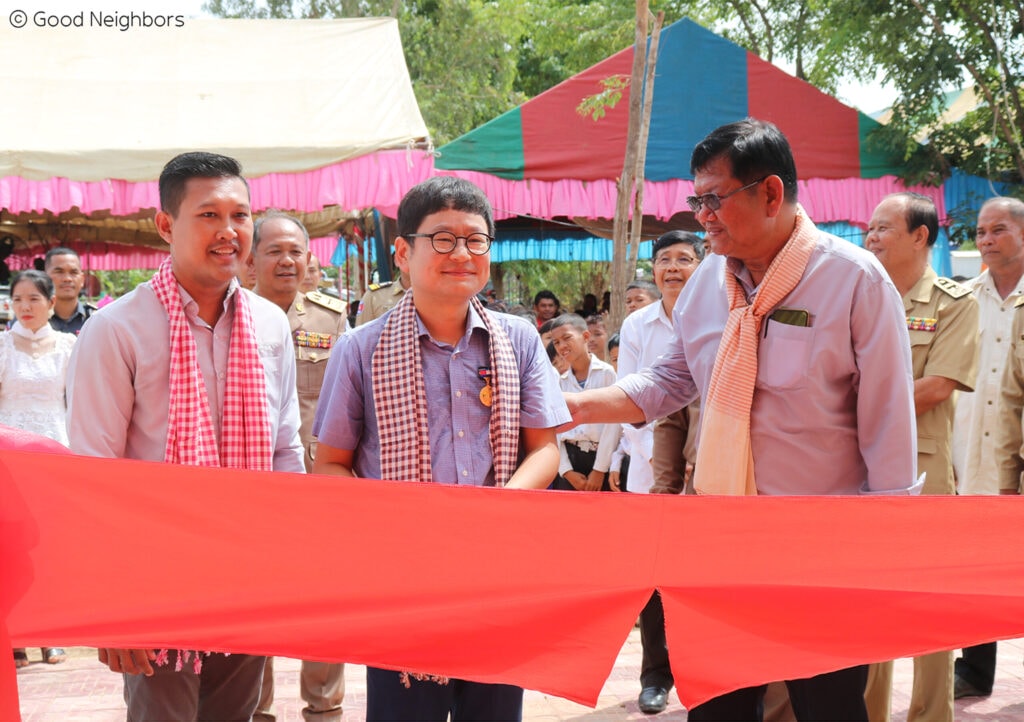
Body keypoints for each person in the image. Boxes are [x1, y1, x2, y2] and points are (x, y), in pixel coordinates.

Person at [563, 118, 919, 721]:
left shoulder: (854, 280)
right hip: (719, 541)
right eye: (696, 201)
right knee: (717, 705)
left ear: (771, 193)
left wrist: (884, 552)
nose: (702, 217)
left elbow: (888, 424)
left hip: (818, 550)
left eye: (714, 199)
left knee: (828, 707)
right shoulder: (710, 280)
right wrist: (577, 406)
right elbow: (670, 379)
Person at [312, 175, 568, 722]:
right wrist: (395, 522)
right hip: (402, 572)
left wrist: (497, 509)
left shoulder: (519, 339)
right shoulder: (360, 348)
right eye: (443, 239)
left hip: (500, 564)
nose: (462, 254)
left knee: (494, 710)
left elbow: (545, 449)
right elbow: (331, 464)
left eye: (476, 240)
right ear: (404, 253)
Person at [65, 151, 305, 722]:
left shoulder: (270, 324)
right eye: (209, 215)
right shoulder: (117, 329)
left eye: (240, 215)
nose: (229, 231)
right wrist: (109, 606)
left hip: (248, 569)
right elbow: (92, 477)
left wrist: (291, 567)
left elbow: (285, 451)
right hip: (154, 576)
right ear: (166, 225)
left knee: (236, 714)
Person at [862, 192, 978, 722]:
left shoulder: (955, 303)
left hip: (923, 469)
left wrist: (854, 407)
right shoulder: (862, 295)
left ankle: (931, 715)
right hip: (861, 466)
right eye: (870, 227)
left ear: (920, 236)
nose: (872, 237)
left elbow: (937, 386)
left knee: (928, 602)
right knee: (870, 598)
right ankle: (867, 713)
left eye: (884, 227)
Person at [247, 212, 347, 722]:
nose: (286, 261)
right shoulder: (234, 316)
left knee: (323, 599)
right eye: (274, 251)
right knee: (254, 600)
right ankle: (256, 709)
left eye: (295, 252)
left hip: (318, 481)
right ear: (251, 260)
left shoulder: (332, 319)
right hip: (252, 482)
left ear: (309, 258)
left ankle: (324, 708)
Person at [616, 231, 703, 715]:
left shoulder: (716, 317)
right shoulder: (638, 325)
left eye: (684, 259)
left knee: (699, 577)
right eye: (664, 259)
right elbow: (628, 399)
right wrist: (654, 463)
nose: (673, 267)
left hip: (708, 472)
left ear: (701, 266)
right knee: (653, 580)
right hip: (649, 471)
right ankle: (655, 675)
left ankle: (698, 669)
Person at [950, 196, 1024, 699]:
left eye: (998, 229)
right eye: (980, 231)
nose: (986, 240)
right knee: (974, 571)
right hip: (970, 461)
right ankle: (973, 670)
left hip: (1018, 459)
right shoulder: (961, 299)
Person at [1, 269, 74, 669]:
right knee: (10, 549)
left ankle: (50, 633)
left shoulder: (69, 347)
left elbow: (77, 401)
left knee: (50, 547)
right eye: (17, 300)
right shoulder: (1, 347)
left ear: (51, 302)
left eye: (33, 299)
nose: (24, 307)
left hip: (53, 454)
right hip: (9, 459)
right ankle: (13, 636)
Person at [549, 313, 620, 492]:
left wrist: (600, 469)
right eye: (556, 342)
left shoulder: (607, 374)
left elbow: (614, 425)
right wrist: (566, 471)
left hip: (601, 459)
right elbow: (554, 430)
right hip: (571, 460)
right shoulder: (560, 382)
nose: (562, 346)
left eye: (567, 338)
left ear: (586, 336)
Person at [44, 247, 95, 335]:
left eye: (73, 272)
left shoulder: (95, 319)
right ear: (45, 278)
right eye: (59, 272)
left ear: (82, 279)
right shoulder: (33, 320)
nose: (67, 279)